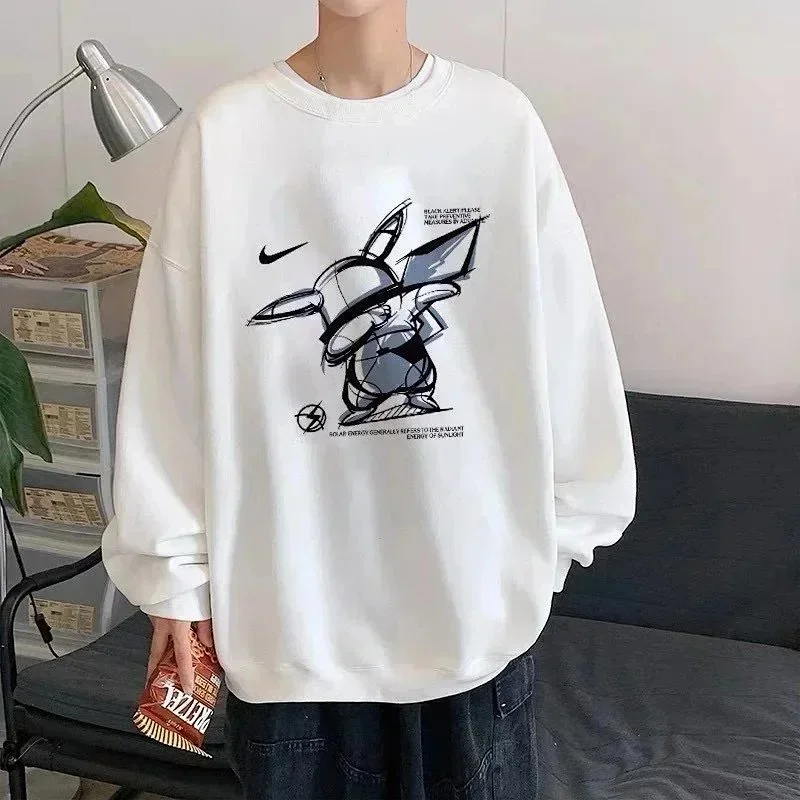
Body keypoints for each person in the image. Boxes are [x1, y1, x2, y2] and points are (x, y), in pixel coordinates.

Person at [101, 0, 637, 797]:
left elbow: (572, 345)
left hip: (472, 632)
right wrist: (174, 573)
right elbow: (169, 375)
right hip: (289, 640)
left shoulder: (497, 122)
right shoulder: (229, 132)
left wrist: (537, 549)